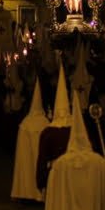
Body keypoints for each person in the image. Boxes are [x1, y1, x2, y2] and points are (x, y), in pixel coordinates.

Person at [11, 77, 49, 202]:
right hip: (39, 155)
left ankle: (25, 191)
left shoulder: (25, 123)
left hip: (28, 155)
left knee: (27, 167)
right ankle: (38, 194)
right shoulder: (45, 123)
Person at [36, 63, 72, 192]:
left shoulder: (48, 133)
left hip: (55, 176)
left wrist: (41, 181)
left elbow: (42, 160)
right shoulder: (76, 130)